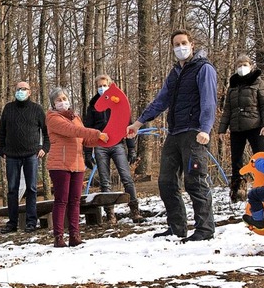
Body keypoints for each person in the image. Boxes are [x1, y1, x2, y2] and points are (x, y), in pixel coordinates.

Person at [127, 29, 217, 242]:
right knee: (166, 181)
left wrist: (205, 128)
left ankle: (205, 229)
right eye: (176, 44)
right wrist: (139, 122)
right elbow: (161, 101)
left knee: (195, 181)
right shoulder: (175, 73)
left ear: (192, 44)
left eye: (183, 43)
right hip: (174, 132)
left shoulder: (203, 69)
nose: (180, 47)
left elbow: (209, 101)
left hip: (195, 133)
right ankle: (177, 227)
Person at [46, 87, 108, 247]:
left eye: (64, 98)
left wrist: (101, 139)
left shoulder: (76, 117)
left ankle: (75, 235)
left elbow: (85, 140)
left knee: (75, 200)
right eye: (58, 100)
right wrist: (96, 132)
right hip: (60, 164)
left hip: (77, 163)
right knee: (61, 200)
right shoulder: (53, 118)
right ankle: (59, 237)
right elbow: (72, 131)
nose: (62, 102)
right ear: (53, 103)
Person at [84, 74, 142, 223]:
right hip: (100, 146)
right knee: (105, 181)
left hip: (117, 144)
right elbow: (88, 129)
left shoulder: (119, 102)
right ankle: (110, 214)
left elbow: (127, 125)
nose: (102, 88)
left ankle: (134, 210)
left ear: (110, 86)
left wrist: (132, 149)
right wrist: (88, 153)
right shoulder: (93, 106)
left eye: (104, 85)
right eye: (99, 86)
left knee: (126, 178)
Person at [0, 81, 50, 234]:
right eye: (18, 89)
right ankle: (12, 223)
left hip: (31, 155)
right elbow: (1, 131)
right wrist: (2, 150)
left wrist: (44, 148)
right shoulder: (8, 108)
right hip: (12, 156)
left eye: (24, 89)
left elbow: (47, 132)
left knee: (32, 189)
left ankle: (31, 222)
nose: (20, 91)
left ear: (30, 92)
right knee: (12, 190)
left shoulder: (37, 109)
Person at [218, 55, 264, 202]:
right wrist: (222, 129)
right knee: (236, 160)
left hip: (256, 126)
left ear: (251, 65)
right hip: (237, 127)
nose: (242, 67)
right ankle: (237, 190)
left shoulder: (259, 83)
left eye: (245, 64)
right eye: (239, 65)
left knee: (261, 156)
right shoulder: (233, 86)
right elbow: (227, 109)